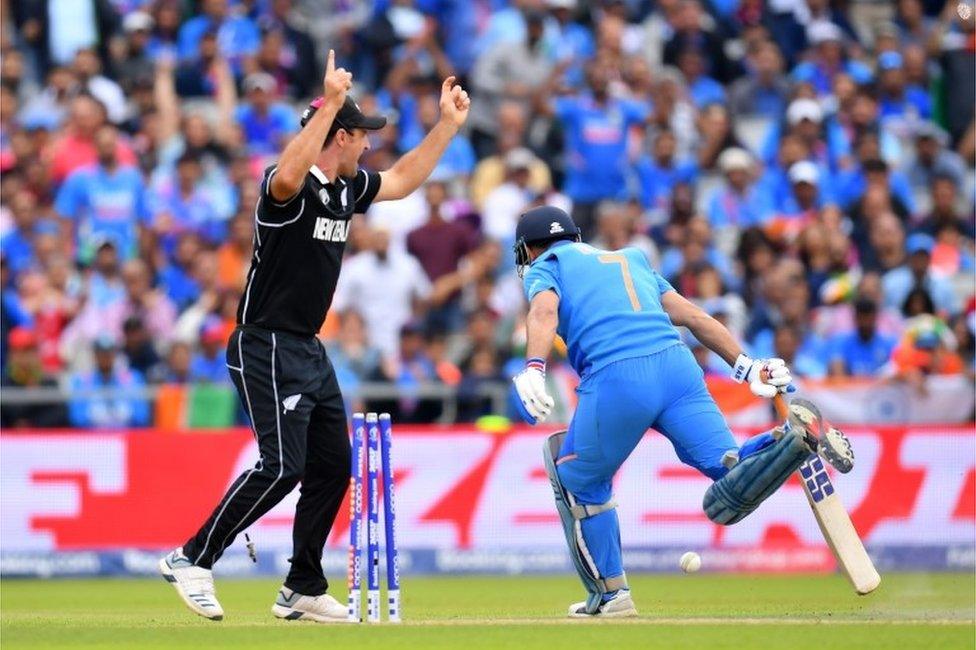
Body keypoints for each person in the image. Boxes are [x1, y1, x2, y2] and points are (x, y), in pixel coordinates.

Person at [159, 50, 470, 623]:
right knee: (282, 466)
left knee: (332, 464)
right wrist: (327, 105)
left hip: (307, 347)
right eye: (363, 137)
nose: (369, 147)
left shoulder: (346, 190)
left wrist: (446, 127)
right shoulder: (291, 191)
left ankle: (301, 584)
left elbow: (401, 180)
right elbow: (284, 175)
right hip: (266, 342)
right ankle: (191, 558)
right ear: (340, 135)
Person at [510, 206, 851, 617]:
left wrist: (534, 367)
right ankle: (786, 442)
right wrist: (747, 365)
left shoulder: (543, 266)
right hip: (678, 367)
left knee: (576, 476)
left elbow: (544, 311)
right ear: (577, 237)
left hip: (617, 377)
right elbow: (692, 316)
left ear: (528, 249)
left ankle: (611, 595)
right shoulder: (630, 258)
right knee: (730, 469)